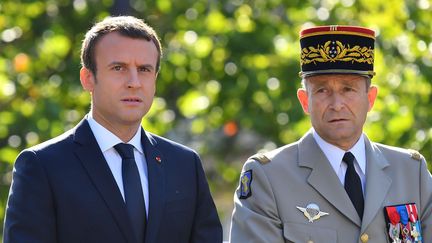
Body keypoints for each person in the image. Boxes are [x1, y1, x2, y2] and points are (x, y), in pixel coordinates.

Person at [3, 16, 222, 243]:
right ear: (88, 78)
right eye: (119, 68)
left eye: (145, 69)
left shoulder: (185, 165)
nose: (134, 82)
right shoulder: (42, 166)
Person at [229, 25, 432, 242]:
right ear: (305, 101)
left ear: (370, 98)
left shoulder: (411, 172)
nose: (337, 104)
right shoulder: (268, 177)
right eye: (322, 90)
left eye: (348, 89)